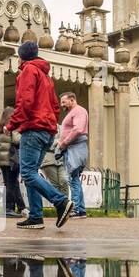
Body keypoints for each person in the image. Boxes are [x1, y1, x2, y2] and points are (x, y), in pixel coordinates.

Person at [5, 40, 74, 230]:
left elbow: (25, 102)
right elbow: (54, 106)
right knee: (31, 174)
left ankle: (60, 202)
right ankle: (36, 216)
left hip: (33, 129)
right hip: (47, 131)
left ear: (21, 56)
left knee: (26, 172)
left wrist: (11, 124)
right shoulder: (45, 76)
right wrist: (50, 123)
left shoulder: (28, 71)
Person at [55, 91, 89, 219]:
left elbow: (78, 129)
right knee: (75, 180)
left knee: (73, 180)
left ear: (72, 100)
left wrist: (64, 143)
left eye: (64, 102)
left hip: (75, 148)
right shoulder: (75, 112)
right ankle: (81, 209)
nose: (61, 104)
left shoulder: (78, 111)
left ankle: (76, 209)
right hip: (75, 148)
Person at [0, 107, 24, 218]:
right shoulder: (13, 126)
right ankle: (9, 208)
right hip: (11, 159)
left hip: (2, 160)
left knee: (10, 183)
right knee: (11, 184)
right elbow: (17, 140)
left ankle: (21, 207)